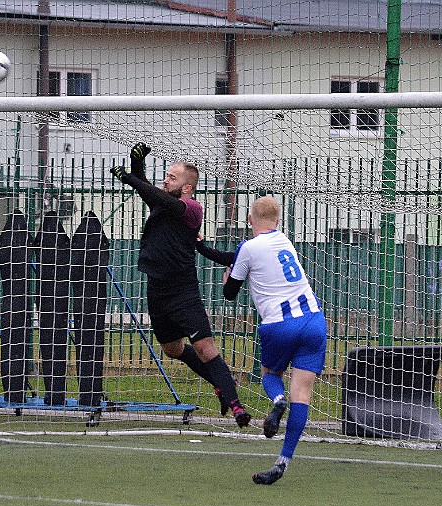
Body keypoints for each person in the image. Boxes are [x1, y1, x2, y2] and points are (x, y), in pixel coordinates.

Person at [110, 143, 250, 427]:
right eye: (166, 176)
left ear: (187, 188)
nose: (166, 180)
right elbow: (147, 191)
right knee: (173, 350)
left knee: (206, 349)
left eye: (172, 177)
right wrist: (137, 166)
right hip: (157, 291)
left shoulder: (191, 207)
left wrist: (130, 176)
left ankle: (236, 406)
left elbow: (155, 195)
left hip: (183, 292)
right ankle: (223, 381)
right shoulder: (162, 203)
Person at [198, 196, 327, 485]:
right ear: (278, 221)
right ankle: (282, 463)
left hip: (280, 325)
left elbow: (230, 291)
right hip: (314, 320)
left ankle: (277, 400)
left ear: (248, 219)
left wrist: (226, 278)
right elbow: (237, 255)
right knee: (303, 394)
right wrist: (203, 248)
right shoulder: (284, 241)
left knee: (271, 376)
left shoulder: (249, 247)